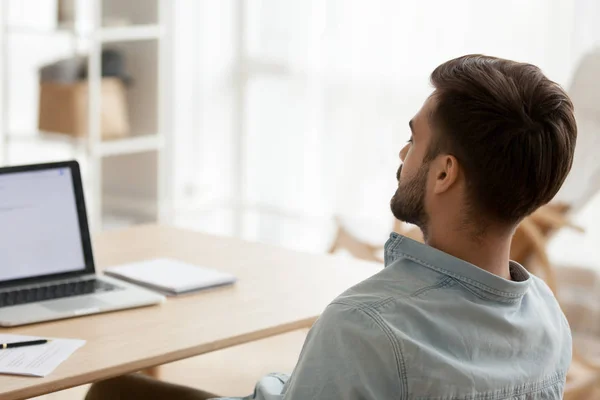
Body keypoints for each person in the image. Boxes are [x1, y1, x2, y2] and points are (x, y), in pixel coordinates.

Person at [86, 54, 576, 399]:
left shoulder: (367, 325)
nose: (403, 154)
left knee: (113, 390)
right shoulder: (549, 321)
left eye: (414, 139)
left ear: (445, 173)